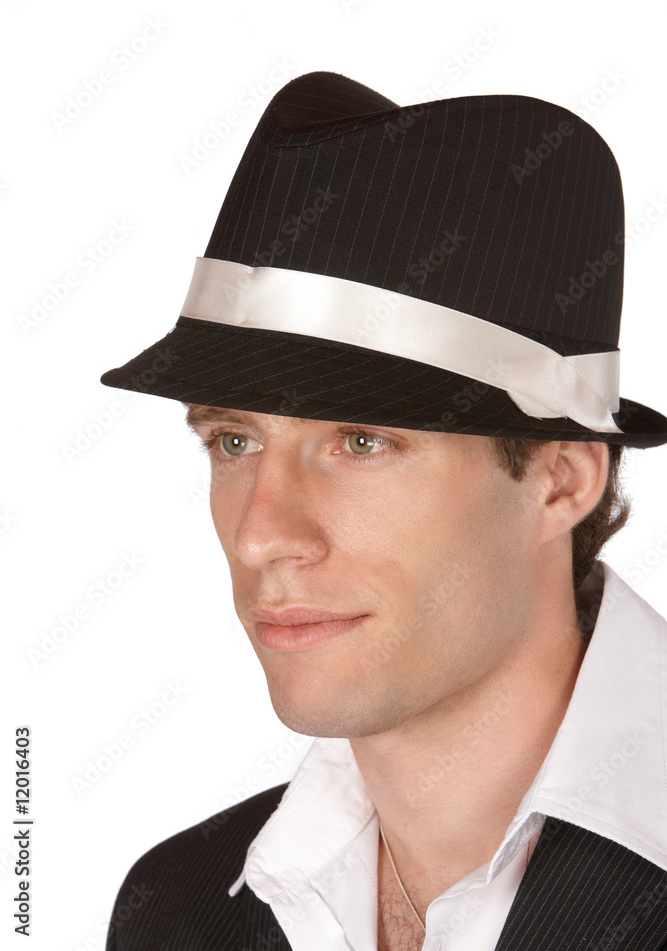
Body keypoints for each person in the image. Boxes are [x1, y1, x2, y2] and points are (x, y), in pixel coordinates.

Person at [100, 71, 667, 950]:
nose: (260, 536)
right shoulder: (178, 908)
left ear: (560, 480)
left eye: (361, 442)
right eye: (234, 440)